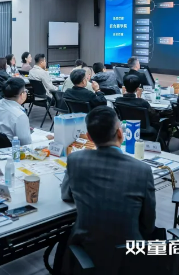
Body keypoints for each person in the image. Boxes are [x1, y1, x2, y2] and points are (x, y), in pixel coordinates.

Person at [61, 106, 156, 274]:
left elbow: (66, 195)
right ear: (120, 133)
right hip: (129, 256)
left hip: (87, 249)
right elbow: (148, 224)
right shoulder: (142, 170)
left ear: (89, 137)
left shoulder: (75, 159)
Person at [0, 78, 32, 145]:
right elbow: (25, 143)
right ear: (22, 95)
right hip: (13, 148)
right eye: (25, 91)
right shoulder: (20, 115)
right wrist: (44, 138)